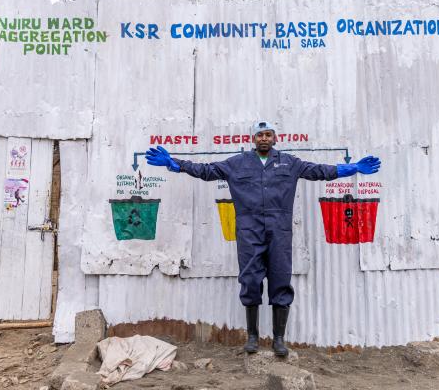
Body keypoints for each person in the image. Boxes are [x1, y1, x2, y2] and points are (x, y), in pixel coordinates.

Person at [145, 121, 381, 356]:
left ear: (275, 138)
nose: (264, 138)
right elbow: (206, 171)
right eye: (260, 135)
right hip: (249, 231)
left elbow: (319, 171)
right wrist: (175, 165)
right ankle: (253, 338)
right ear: (253, 139)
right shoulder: (236, 164)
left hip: (279, 231)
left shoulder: (290, 163)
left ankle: (279, 339)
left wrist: (353, 169)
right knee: (250, 279)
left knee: (280, 278)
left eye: (268, 134)